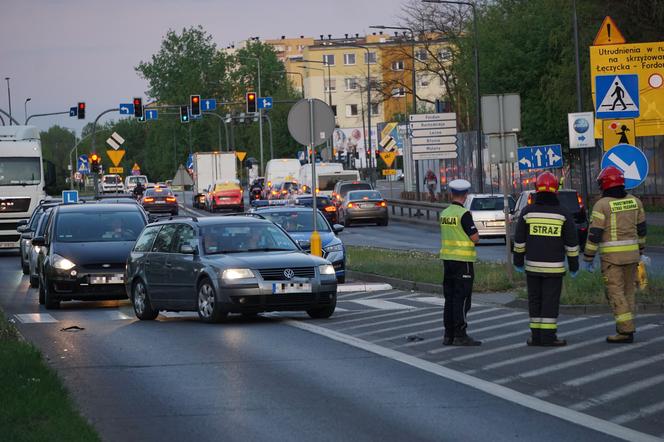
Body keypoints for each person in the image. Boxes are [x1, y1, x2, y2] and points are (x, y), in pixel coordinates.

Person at [513, 172, 579, 347]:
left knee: (535, 301)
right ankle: (549, 337)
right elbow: (571, 244)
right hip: (554, 269)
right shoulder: (563, 213)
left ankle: (536, 337)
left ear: (536, 190)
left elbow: (519, 241)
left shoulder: (527, 212)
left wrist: (518, 262)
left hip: (532, 268)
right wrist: (574, 266)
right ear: (556, 190)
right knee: (550, 302)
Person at [583, 166, 646, 344]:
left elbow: (594, 233)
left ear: (604, 184)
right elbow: (642, 230)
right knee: (628, 293)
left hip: (612, 259)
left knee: (615, 293)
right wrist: (640, 250)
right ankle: (626, 327)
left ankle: (625, 331)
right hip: (633, 257)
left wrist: (588, 257)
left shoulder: (602, 205)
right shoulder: (636, 201)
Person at [439, 179, 481, 346]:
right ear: (465, 195)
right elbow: (475, 238)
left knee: (449, 298)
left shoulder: (445, 213)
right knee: (462, 298)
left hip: (447, 260)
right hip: (463, 261)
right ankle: (460, 333)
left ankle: (448, 334)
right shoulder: (463, 214)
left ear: (452, 194)